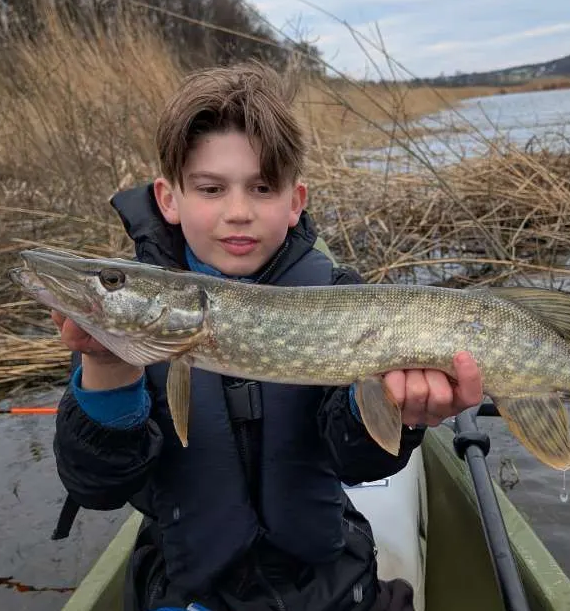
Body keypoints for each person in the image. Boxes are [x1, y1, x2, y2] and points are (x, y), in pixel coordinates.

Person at [51, 61, 484, 611]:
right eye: (211, 188)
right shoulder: (135, 318)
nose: (238, 212)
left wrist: (399, 414)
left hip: (329, 582)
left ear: (295, 200)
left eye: (261, 188)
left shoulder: (337, 295)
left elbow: (359, 461)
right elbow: (97, 487)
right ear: (168, 198)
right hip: (190, 587)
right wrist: (110, 369)